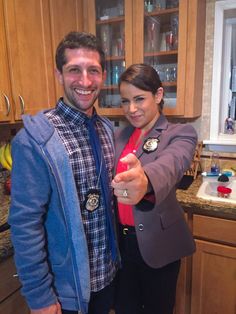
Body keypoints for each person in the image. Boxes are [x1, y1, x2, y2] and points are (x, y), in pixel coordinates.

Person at [8, 31, 120, 314]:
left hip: (108, 279)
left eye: (93, 70)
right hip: (65, 293)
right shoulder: (35, 139)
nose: (85, 81)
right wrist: (39, 297)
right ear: (59, 74)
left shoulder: (106, 130)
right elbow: (25, 225)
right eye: (74, 70)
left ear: (103, 75)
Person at [111, 63, 197, 314]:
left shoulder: (180, 133)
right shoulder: (119, 136)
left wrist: (145, 179)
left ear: (158, 95)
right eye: (125, 101)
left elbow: (171, 165)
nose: (132, 109)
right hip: (122, 246)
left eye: (139, 99)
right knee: (125, 309)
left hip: (158, 246)